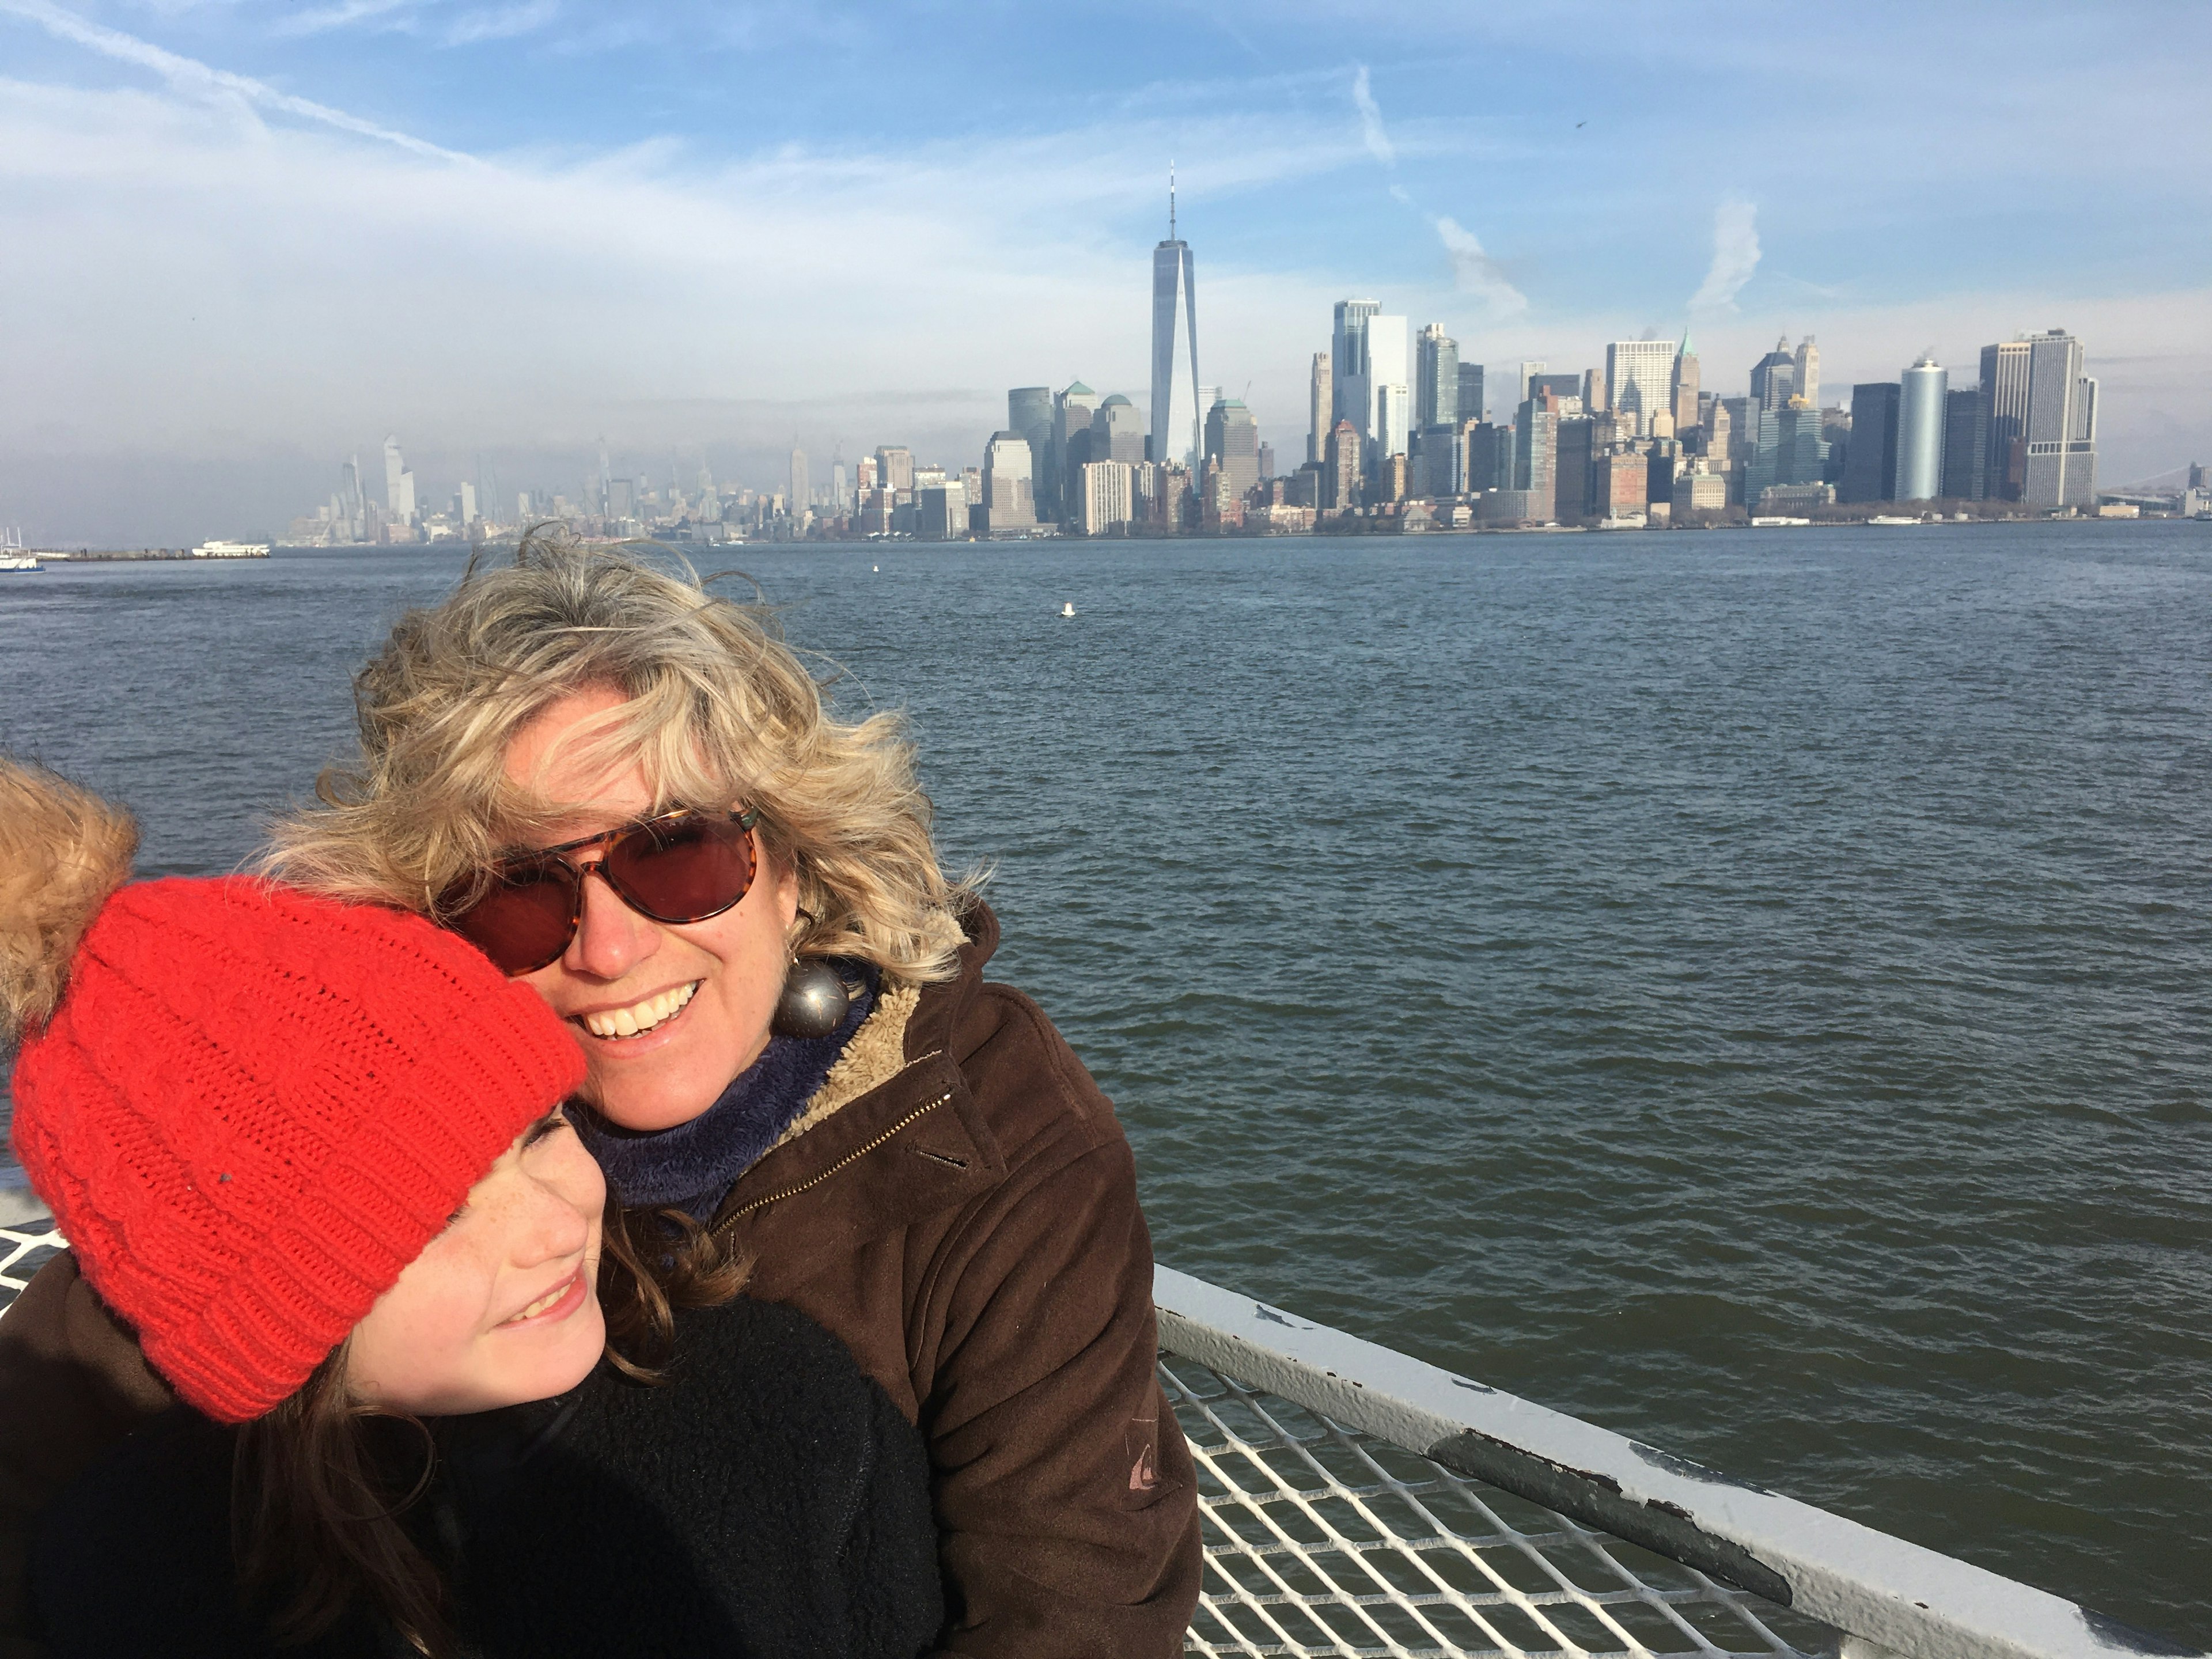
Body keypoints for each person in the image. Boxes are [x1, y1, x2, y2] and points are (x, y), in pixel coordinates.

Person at [0, 537, 1203, 1657]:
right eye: (517, 891)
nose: (611, 951)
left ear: (795, 871)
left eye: (677, 853)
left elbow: (1075, 1598)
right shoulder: (340, 1129)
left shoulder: (982, 1134)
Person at [1, 761, 942, 1658]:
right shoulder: (133, 1580)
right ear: (269, 1323)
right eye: (438, 1213)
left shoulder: (787, 1422)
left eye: (539, 1134)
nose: (552, 1224)